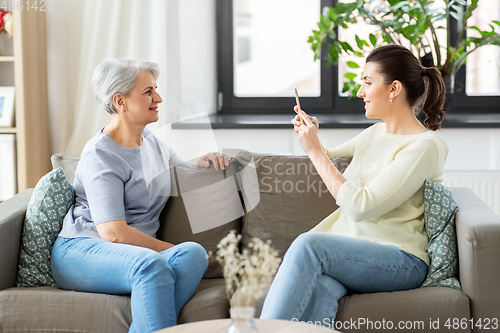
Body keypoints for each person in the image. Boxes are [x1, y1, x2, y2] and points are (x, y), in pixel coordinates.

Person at [260, 44, 449, 326]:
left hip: (401, 259)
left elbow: (361, 205)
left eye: (367, 82)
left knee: (309, 246)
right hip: (357, 253)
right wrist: (311, 134)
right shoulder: (374, 133)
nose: (361, 91)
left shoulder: (424, 147)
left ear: (394, 89)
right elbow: (328, 156)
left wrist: (314, 150)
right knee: (322, 289)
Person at [51, 58, 229, 333]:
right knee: (151, 265)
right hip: (82, 248)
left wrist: (201, 161)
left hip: (129, 254)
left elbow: (180, 167)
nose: (158, 97)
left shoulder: (151, 142)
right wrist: (169, 251)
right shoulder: (101, 154)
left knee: (193, 254)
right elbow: (113, 232)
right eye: (148, 92)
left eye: (155, 89)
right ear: (120, 101)